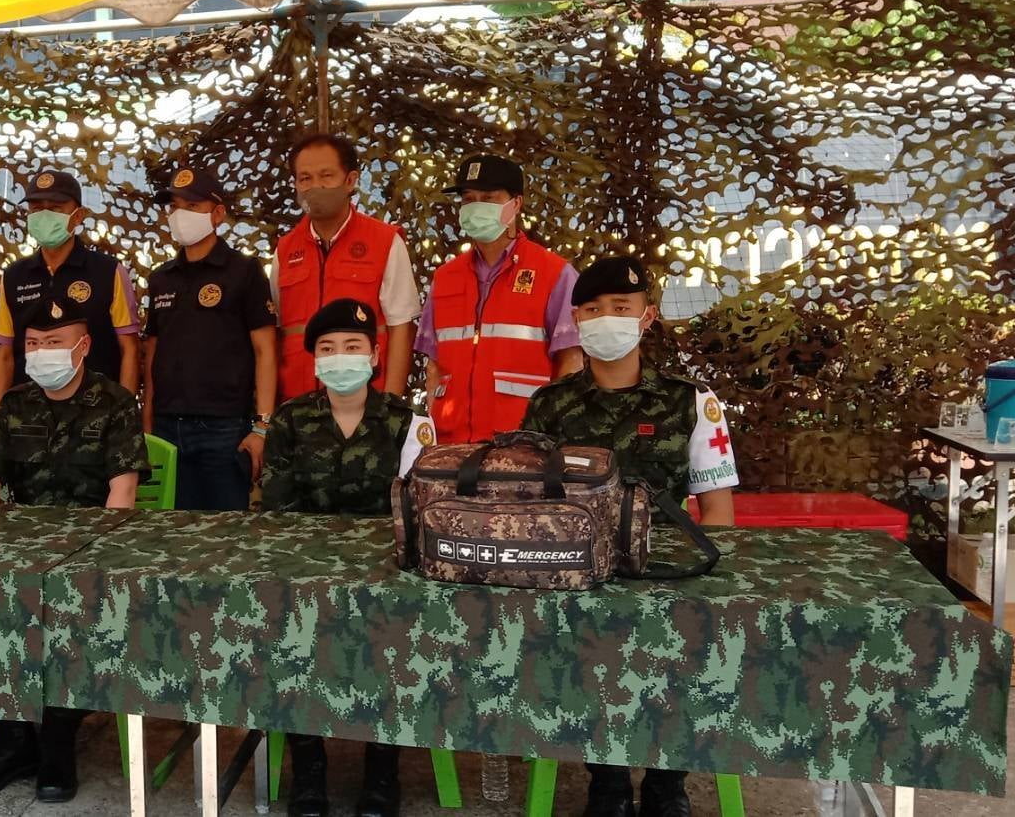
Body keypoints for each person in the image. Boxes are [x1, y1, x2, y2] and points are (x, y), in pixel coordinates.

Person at [519, 256, 738, 817]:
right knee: (590, 652)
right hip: (580, 573)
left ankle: (668, 783)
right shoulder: (550, 405)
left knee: (684, 646)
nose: (606, 319)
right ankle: (608, 780)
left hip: (669, 570)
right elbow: (532, 507)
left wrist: (705, 590)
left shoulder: (691, 401)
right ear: (576, 320)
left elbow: (716, 508)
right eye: (592, 310)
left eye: (621, 307)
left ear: (647, 317)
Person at [0, 296, 148, 804]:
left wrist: (87, 562)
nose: (43, 352)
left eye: (55, 342)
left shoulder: (115, 402)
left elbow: (123, 494)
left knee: (68, 607)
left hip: (90, 549)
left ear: (83, 346)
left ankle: (58, 741)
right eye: (34, 343)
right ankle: (12, 741)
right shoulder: (15, 404)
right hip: (22, 548)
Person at [260, 297, 433, 817]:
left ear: (374, 356)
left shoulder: (408, 422)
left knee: (394, 633)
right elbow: (278, 509)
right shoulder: (290, 421)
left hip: (384, 572)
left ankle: (382, 771)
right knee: (288, 626)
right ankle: (308, 768)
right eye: (328, 348)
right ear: (314, 360)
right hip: (306, 567)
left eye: (352, 346)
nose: (340, 358)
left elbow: (422, 511)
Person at [418, 154, 583, 443]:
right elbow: (434, 366)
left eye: (488, 198)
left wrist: (554, 434)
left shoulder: (554, 273)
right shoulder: (445, 277)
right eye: (469, 199)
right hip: (450, 443)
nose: (476, 206)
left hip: (524, 443)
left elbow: (571, 363)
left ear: (516, 204)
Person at [141, 167, 276, 511]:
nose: (180, 215)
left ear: (218, 214)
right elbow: (152, 352)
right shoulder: (160, 278)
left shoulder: (244, 271)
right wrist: (148, 420)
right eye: (174, 207)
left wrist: (262, 426)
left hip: (224, 426)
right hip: (167, 426)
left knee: (224, 532)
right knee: (168, 529)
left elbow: (265, 350)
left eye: (192, 206)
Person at [271, 134, 420, 401]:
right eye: (305, 178)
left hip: (367, 402)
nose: (315, 186)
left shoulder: (385, 241)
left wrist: (391, 404)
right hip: (299, 404)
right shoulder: (284, 250)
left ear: (350, 181)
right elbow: (276, 332)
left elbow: (401, 328)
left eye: (326, 176)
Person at [0, 170, 141, 405]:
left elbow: (129, 349)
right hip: (29, 412)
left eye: (55, 208)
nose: (45, 215)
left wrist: (125, 413)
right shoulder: (13, 276)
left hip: (95, 411)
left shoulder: (108, 271)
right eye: (36, 209)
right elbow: (5, 356)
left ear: (78, 216)